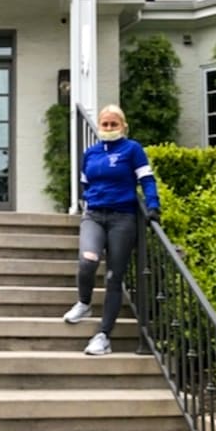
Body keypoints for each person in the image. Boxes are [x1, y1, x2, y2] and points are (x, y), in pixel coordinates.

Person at [63, 104, 161, 355]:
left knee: (113, 278)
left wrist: (153, 206)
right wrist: (92, 200)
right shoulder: (91, 153)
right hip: (94, 215)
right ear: (99, 126)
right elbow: (85, 184)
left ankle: (103, 336)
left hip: (122, 218)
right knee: (87, 261)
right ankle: (84, 303)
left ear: (123, 126)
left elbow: (146, 179)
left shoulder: (132, 149)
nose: (108, 128)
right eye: (105, 124)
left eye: (113, 124)